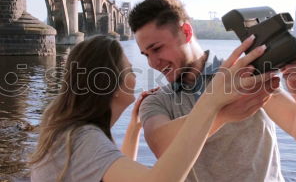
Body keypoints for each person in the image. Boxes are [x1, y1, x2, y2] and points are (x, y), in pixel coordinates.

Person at [128, 0, 296, 182]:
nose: (153, 63)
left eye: (157, 48)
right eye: (146, 54)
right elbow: (161, 145)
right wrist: (221, 111)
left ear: (186, 32)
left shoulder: (244, 74)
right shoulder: (156, 101)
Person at [30, 35, 275, 182]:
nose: (136, 77)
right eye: (128, 70)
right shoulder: (83, 139)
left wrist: (134, 129)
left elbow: (120, 170)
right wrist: (211, 102)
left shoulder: (74, 134)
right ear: (111, 84)